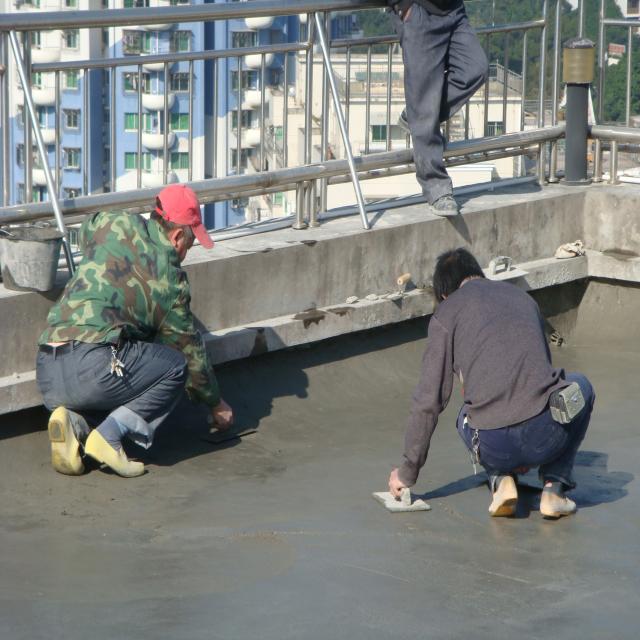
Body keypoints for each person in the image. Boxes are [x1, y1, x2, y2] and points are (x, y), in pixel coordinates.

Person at [36, 184, 233, 478]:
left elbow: (87, 230)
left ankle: (73, 422)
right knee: (173, 367)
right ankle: (110, 436)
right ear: (178, 236)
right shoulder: (171, 280)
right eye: (189, 246)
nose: (185, 255)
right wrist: (216, 403)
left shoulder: (115, 220)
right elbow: (189, 351)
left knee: (123, 366)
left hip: (47, 370)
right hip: (93, 367)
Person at [388, 248, 595, 518]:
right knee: (581, 386)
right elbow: (546, 377)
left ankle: (501, 480)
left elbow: (429, 401)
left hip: (492, 444)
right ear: (478, 274)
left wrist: (406, 472)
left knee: (465, 413)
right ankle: (554, 487)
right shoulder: (523, 298)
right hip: (545, 435)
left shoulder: (446, 313)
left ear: (444, 295)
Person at [387, 0, 488, 216]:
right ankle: (437, 189)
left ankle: (415, 116)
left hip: (454, 10)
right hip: (419, 13)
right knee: (423, 102)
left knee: (475, 70)